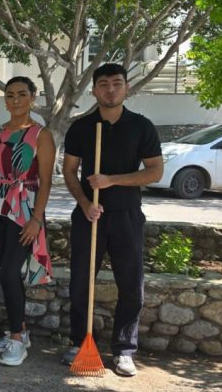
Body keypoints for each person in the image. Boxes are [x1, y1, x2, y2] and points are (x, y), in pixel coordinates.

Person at [60, 63, 163, 377]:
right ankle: (80, 341)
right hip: (89, 215)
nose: (110, 89)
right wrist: (84, 202)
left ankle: (124, 350)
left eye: (117, 83)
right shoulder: (81, 127)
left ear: (126, 88)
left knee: (130, 285)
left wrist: (111, 180)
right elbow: (69, 170)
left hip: (127, 216)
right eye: (103, 84)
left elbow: (154, 172)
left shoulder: (141, 127)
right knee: (80, 283)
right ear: (94, 90)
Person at [0, 77, 55, 366]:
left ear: (33, 97)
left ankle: (18, 338)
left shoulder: (41, 135)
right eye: (10, 95)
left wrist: (36, 219)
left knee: (10, 273)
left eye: (22, 94)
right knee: (5, 272)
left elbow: (46, 180)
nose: (16, 100)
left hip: (24, 209)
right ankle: (18, 331)